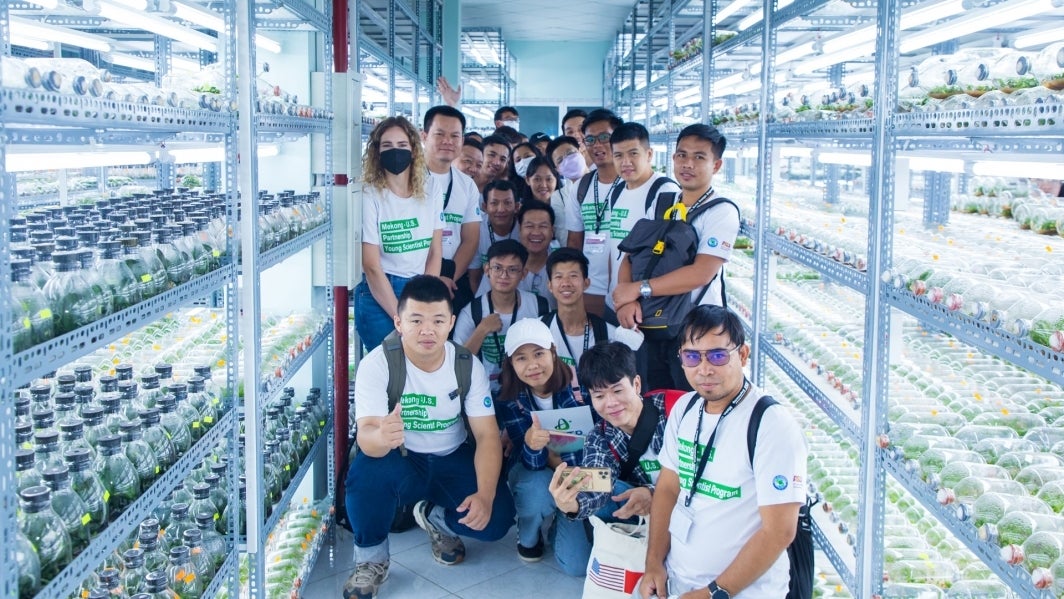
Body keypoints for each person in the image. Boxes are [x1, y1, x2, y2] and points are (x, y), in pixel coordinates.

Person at [343, 276, 516, 599]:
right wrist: (382, 434)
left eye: (437, 320)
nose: (427, 330)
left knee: (497, 521)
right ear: (398, 321)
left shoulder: (466, 364)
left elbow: (487, 436)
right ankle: (371, 560)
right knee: (365, 474)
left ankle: (439, 520)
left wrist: (486, 496)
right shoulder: (377, 364)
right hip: (401, 459)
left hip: (452, 457)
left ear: (451, 322)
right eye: (416, 320)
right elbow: (367, 438)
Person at [638, 306, 807, 599]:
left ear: (742, 355)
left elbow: (779, 531)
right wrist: (654, 562)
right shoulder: (685, 408)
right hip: (678, 582)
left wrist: (714, 592)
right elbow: (667, 488)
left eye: (717, 355)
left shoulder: (770, 424)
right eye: (692, 356)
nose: (704, 369)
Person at [613, 124, 739, 391]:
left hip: (696, 330)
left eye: (699, 157)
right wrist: (626, 301)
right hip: (651, 324)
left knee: (691, 401)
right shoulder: (662, 201)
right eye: (682, 155)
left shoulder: (721, 211)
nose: (687, 164)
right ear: (672, 158)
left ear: (716, 166)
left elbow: (701, 273)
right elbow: (631, 254)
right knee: (652, 398)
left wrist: (638, 289)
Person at [548, 341, 668, 576]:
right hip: (634, 511)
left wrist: (654, 494)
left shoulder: (673, 413)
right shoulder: (599, 436)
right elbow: (597, 489)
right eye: (599, 395)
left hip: (680, 508)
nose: (610, 403)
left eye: (617, 390)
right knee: (574, 565)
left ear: (636, 384)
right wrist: (570, 504)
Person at [495, 318, 590, 562]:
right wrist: (530, 444)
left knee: (576, 563)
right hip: (539, 471)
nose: (532, 365)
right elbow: (533, 465)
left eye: (539, 353)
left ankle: (565, 519)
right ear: (511, 364)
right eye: (521, 358)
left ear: (554, 352)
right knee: (536, 489)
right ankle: (529, 531)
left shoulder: (580, 386)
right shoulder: (509, 398)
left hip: (582, 471)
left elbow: (591, 442)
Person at [356, 116, 443, 351]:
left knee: (418, 366)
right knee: (389, 369)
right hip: (380, 291)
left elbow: (435, 250)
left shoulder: (431, 187)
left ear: (414, 150)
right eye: (387, 146)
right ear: (376, 152)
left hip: (419, 285)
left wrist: (427, 299)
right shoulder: (369, 194)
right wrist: (401, 317)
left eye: (402, 146)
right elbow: (371, 265)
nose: (395, 152)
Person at [606, 122, 680, 315]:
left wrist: (634, 297)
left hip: (645, 307)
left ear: (649, 154)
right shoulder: (617, 190)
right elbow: (615, 248)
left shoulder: (665, 192)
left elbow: (670, 258)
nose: (626, 162)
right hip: (618, 300)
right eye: (618, 155)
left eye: (633, 153)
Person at [455, 240, 546, 396]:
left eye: (512, 270)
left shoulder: (539, 306)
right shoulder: (472, 311)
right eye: (497, 268)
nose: (504, 275)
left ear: (523, 274)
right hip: (484, 391)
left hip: (528, 389)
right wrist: (482, 330)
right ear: (486, 270)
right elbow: (458, 362)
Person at [422, 105, 482, 313]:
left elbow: (471, 239)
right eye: (439, 134)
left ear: (462, 141)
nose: (448, 141)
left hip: (452, 280)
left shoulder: (467, 184)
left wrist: (447, 277)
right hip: (414, 276)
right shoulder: (407, 180)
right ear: (424, 136)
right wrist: (430, 278)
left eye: (455, 135)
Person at [565, 108, 624, 319]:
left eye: (604, 137)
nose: (597, 145)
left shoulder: (634, 184)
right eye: (590, 139)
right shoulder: (580, 188)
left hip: (629, 291)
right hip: (592, 288)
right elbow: (574, 242)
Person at [542, 248, 615, 373]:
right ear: (550, 285)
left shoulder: (610, 334)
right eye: (558, 277)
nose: (566, 283)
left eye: (573, 276)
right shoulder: (540, 330)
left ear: (586, 283)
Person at [468, 180, 520, 293]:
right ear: (485, 207)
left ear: (516, 206)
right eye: (494, 203)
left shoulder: (525, 230)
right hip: (487, 294)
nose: (501, 209)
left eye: (507, 203)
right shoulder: (477, 230)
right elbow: (474, 277)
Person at [522, 156, 570, 248]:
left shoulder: (567, 208)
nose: (543, 185)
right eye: (537, 179)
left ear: (556, 179)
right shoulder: (521, 211)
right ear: (527, 180)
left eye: (549, 179)